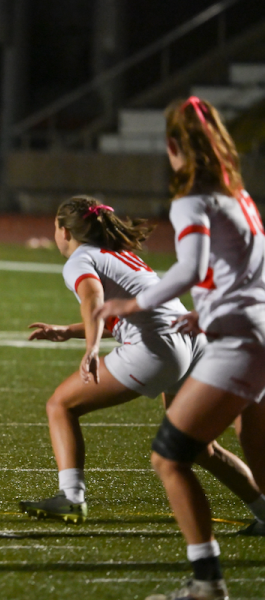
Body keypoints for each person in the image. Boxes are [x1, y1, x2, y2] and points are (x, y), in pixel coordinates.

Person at [95, 97, 265, 600]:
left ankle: (207, 583)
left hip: (240, 341)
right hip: (254, 329)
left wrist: (132, 305)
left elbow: (190, 269)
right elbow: (246, 273)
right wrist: (205, 312)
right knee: (255, 447)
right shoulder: (241, 195)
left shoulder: (194, 199)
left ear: (172, 147)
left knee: (170, 456)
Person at [19, 196, 265, 530]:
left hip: (158, 349)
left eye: (55, 228)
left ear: (64, 230)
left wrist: (90, 348)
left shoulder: (79, 259)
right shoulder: (120, 255)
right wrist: (70, 332)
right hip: (194, 343)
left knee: (60, 405)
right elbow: (126, 316)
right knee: (201, 448)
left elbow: (93, 299)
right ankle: (264, 512)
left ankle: (71, 497)